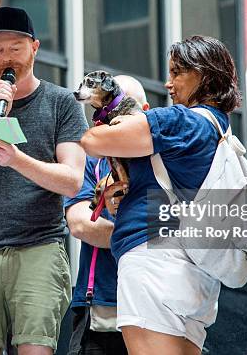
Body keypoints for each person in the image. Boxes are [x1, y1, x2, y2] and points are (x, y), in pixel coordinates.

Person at [81, 35, 242, 355]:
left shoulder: (179, 120)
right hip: (196, 271)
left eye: (178, 73)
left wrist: (115, 116)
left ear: (205, 75)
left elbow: (94, 141)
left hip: (154, 265)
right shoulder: (220, 128)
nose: (169, 84)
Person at [0, 6, 88, 355]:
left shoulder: (62, 103)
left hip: (39, 247)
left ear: (35, 47)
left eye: (15, 47)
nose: (6, 57)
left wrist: (18, 159)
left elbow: (73, 180)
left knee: (36, 349)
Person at [65, 74, 149, 355]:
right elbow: (79, 223)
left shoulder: (163, 162)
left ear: (143, 112)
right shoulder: (92, 160)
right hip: (100, 304)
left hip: (155, 303)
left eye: (123, 108)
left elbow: (174, 227)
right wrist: (139, 236)